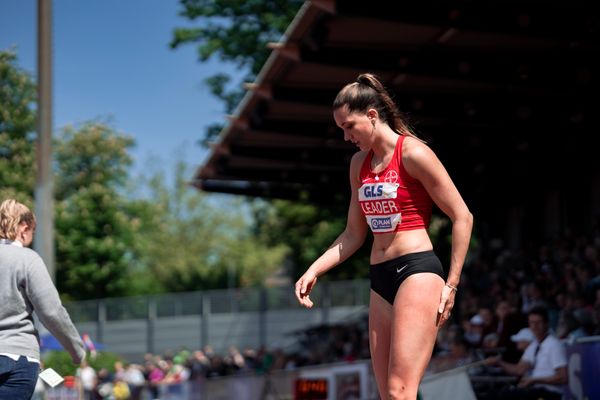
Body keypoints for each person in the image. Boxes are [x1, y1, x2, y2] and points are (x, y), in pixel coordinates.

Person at [294, 73, 473, 399]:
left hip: (417, 272)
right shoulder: (358, 164)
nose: (346, 137)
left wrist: (452, 284)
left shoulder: (413, 154)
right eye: (341, 130)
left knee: (399, 390)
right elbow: (352, 234)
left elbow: (462, 216)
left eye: (349, 126)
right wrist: (313, 270)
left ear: (372, 116)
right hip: (381, 278)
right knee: (388, 394)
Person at [0, 199, 86, 399]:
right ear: (24, 227)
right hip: (16, 356)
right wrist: (76, 350)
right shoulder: (27, 259)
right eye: (32, 232)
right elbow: (52, 312)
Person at [485, 306, 567, 400]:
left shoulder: (554, 345)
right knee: (493, 394)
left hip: (549, 394)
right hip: (535, 391)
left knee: (506, 396)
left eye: (538, 322)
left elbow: (563, 377)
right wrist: (499, 362)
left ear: (546, 323)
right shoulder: (534, 345)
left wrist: (534, 380)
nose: (534, 326)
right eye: (532, 323)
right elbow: (519, 369)